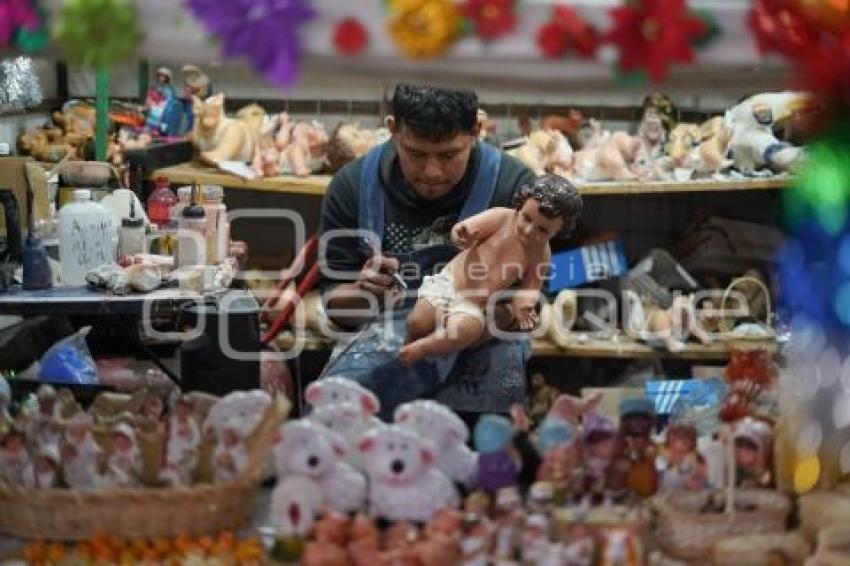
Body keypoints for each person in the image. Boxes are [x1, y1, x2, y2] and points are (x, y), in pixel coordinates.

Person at [318, 83, 539, 420]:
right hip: (387, 338)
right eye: (416, 154)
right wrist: (364, 291)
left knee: (491, 449)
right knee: (336, 422)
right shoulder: (352, 186)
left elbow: (531, 302)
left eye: (450, 155)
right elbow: (334, 306)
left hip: (484, 339)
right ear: (392, 130)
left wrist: (466, 328)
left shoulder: (513, 187)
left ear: (476, 131)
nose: (432, 172)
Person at [400, 175, 582, 367]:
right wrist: (464, 235)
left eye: (542, 230)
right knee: (419, 322)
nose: (529, 231)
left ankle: (423, 349)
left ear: (558, 232)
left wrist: (524, 306)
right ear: (520, 205)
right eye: (526, 218)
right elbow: (461, 230)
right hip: (449, 284)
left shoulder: (542, 253)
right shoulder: (501, 217)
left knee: (462, 333)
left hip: (474, 304)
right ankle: (412, 340)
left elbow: (531, 287)